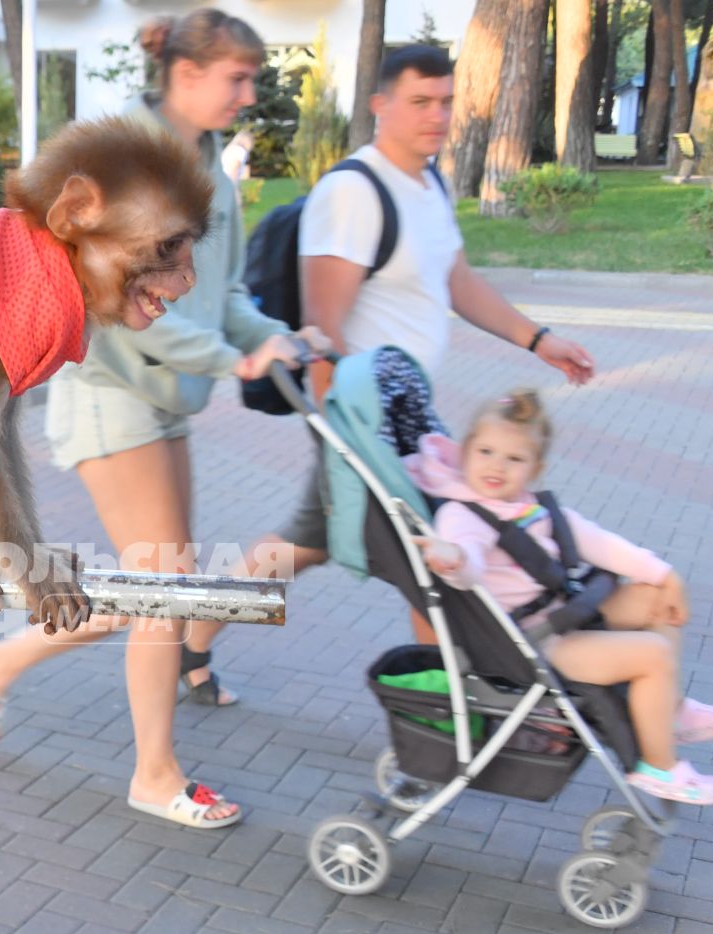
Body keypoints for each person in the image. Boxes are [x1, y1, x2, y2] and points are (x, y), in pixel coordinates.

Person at [0, 9, 328, 831]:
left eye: (250, 78)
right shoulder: (131, 159)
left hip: (161, 401)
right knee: (162, 585)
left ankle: (2, 660)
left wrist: (273, 338)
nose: (247, 92)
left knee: (158, 580)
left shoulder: (207, 173)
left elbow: (220, 292)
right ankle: (153, 773)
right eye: (235, 77)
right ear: (186, 75)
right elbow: (122, 299)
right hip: (111, 390)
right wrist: (228, 361)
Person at [184, 43, 599, 667]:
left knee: (310, 541)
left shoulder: (429, 179)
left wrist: (540, 341)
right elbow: (322, 328)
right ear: (381, 105)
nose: (437, 115)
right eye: (420, 102)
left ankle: (190, 644)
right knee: (423, 556)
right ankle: (455, 708)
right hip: (364, 422)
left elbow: (457, 279)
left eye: (447, 102)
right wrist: (348, 439)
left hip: (405, 419)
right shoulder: (354, 191)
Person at [409, 389, 713, 805]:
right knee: (653, 654)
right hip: (536, 643)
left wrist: (667, 574)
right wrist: (452, 559)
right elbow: (469, 561)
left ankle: (668, 712)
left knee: (656, 598)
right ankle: (659, 766)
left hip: (562, 615)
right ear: (465, 453)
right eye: (486, 452)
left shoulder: (531, 508)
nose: (496, 466)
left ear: (536, 468)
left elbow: (600, 543)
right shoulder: (462, 516)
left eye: (514, 459)